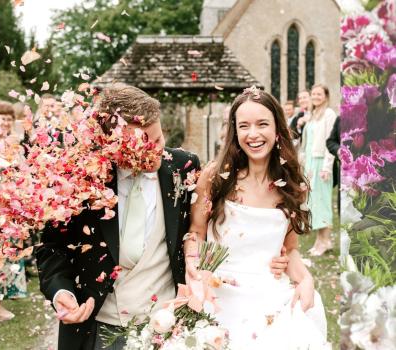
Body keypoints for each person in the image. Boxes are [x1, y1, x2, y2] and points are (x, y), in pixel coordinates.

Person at [35, 84, 289, 350]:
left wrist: (273, 255)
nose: (159, 150)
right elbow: (52, 248)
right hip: (97, 329)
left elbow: (214, 226)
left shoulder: (184, 167)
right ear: (113, 145)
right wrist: (61, 291)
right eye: (146, 145)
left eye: (159, 138)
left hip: (168, 328)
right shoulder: (80, 179)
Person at [184, 86, 329, 349]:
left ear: (277, 130)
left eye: (262, 124)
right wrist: (194, 268)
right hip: (218, 291)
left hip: (269, 293)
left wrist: (306, 279)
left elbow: (291, 249)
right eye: (244, 126)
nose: (253, 134)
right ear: (234, 131)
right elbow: (196, 232)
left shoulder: (292, 184)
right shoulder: (215, 177)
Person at [0, 100, 28, 321]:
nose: (6, 122)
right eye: (2, 118)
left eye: (9, 119)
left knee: (6, 255)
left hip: (10, 210)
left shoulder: (13, 144)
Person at [299, 84, 337, 256]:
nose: (315, 96)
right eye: (313, 93)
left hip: (322, 163)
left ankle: (326, 241)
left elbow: (331, 142)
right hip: (310, 164)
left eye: (319, 94)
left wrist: (327, 168)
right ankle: (319, 241)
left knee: (323, 203)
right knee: (314, 204)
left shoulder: (329, 115)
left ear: (326, 96)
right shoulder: (313, 115)